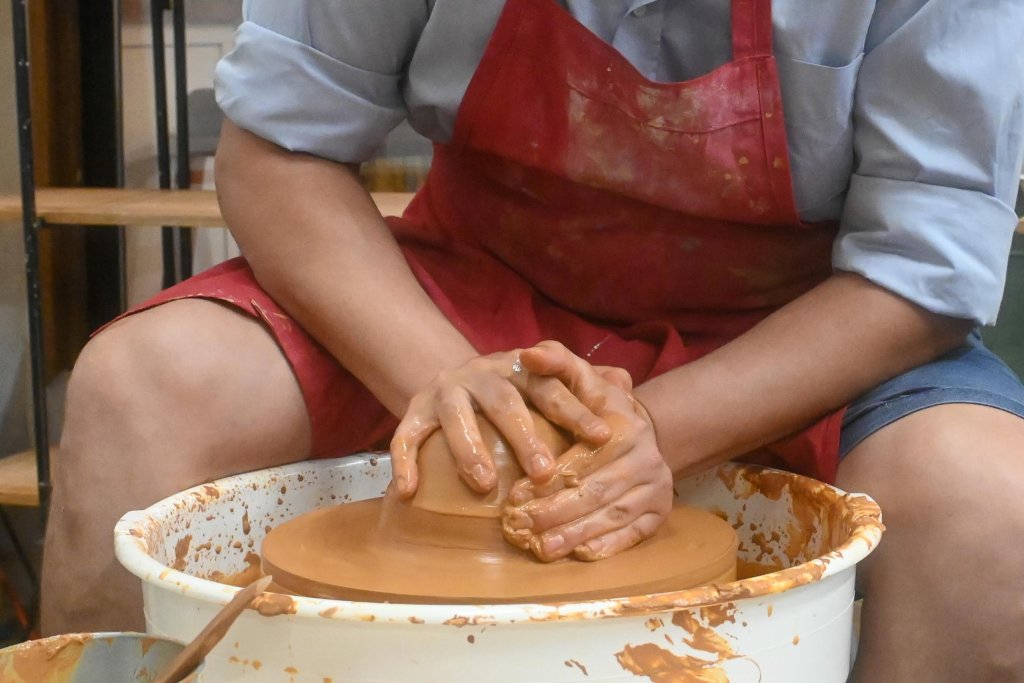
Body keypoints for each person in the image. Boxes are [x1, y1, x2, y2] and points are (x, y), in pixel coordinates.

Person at [42, 1, 1024, 680]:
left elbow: (920, 269)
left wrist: (649, 432)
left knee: (989, 509)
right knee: (144, 386)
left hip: (792, 324)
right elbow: (276, 148)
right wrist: (446, 378)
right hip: (478, 281)